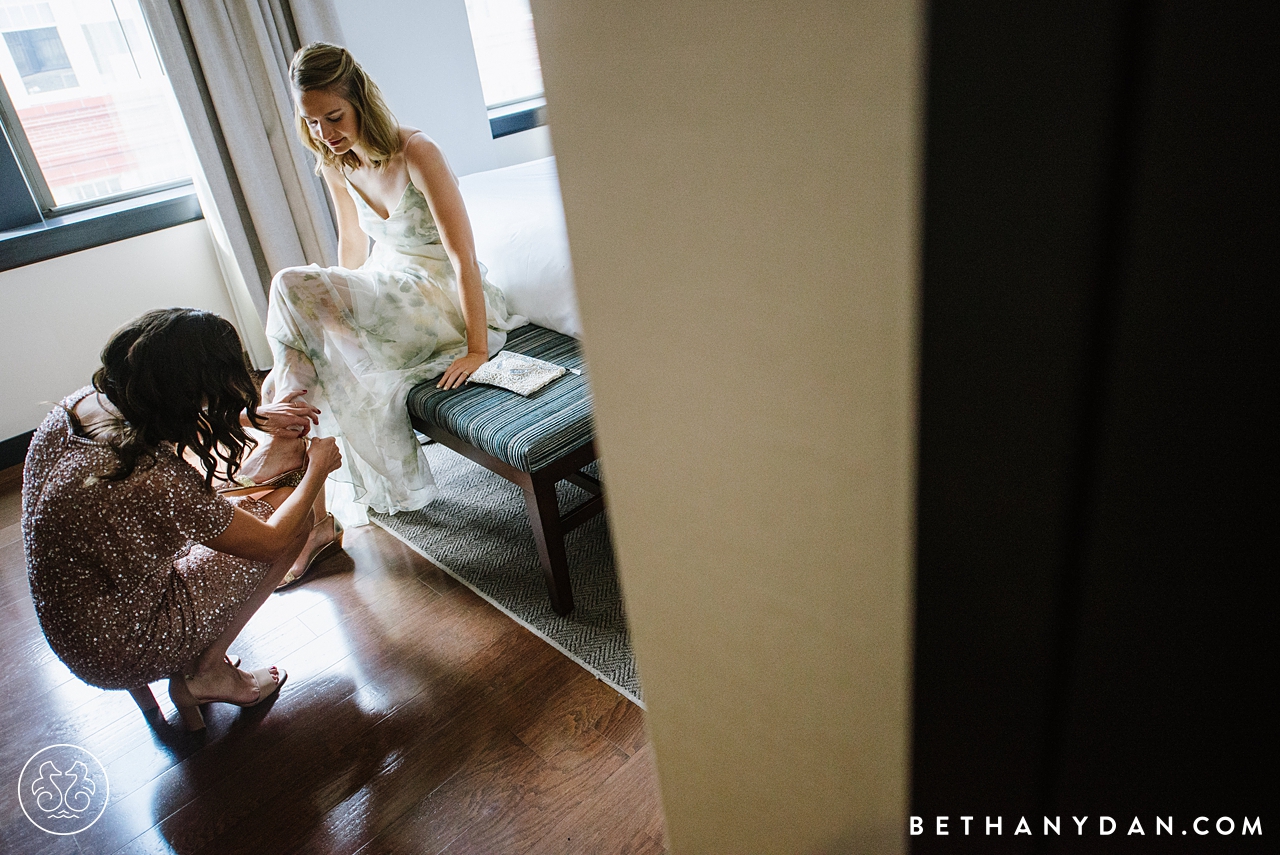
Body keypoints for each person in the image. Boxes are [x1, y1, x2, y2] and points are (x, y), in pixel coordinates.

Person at [22, 308, 343, 731]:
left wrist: (249, 417)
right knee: (292, 520)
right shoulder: (154, 476)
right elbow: (270, 540)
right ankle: (208, 671)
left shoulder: (77, 408)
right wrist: (319, 467)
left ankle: (194, 664)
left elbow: (159, 419)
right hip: (122, 643)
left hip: (76, 620)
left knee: (248, 501)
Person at [256, 42, 527, 516]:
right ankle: (311, 511)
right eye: (313, 122)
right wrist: (339, 313)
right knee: (302, 352)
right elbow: (352, 250)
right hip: (392, 289)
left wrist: (477, 349)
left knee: (288, 286)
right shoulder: (335, 161)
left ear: (360, 100)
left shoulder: (417, 151)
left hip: (440, 295)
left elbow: (463, 257)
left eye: (334, 117)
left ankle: (289, 466)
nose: (324, 133)